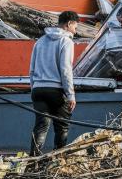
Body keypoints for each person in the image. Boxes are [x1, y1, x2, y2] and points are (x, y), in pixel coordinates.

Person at [29, 11, 79, 156]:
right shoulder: (67, 41)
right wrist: (70, 94)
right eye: (75, 27)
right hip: (56, 90)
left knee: (41, 126)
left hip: (38, 90)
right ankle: (58, 159)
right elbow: (65, 69)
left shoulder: (40, 41)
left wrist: (34, 88)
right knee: (62, 127)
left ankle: (33, 162)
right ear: (68, 24)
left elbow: (31, 70)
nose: (76, 31)